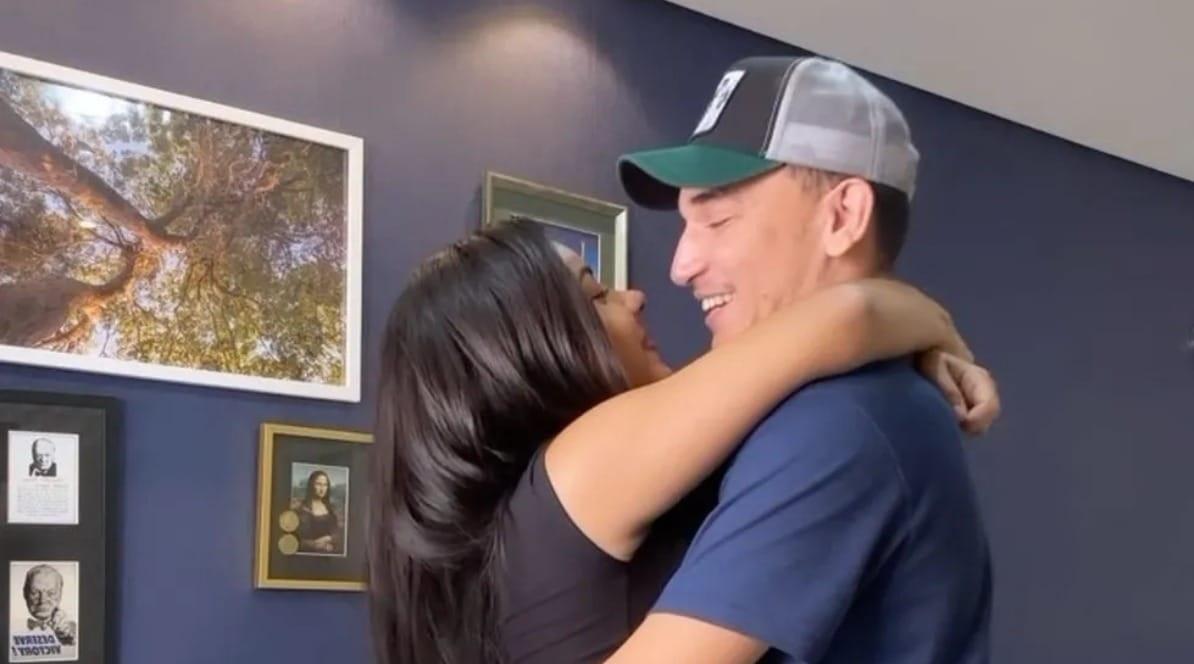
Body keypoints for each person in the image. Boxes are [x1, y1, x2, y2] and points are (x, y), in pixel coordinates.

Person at [368, 216, 998, 663]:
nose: (635, 298)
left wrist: (912, 350)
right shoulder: (582, 463)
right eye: (597, 295)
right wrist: (940, 330)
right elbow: (849, 317)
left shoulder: (519, 537)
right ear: (529, 356)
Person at [607, 56, 993, 663]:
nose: (681, 266)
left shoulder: (841, 422)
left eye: (717, 219)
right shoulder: (834, 403)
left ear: (843, 216)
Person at [22, 565, 76, 646]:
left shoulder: (72, 627)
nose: (42, 600)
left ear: (60, 594)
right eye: (34, 592)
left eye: (51, 593)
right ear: (25, 593)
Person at [296, 469, 343, 554]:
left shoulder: (331, 509)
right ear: (311, 485)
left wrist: (330, 539)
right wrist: (314, 545)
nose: (322, 489)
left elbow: (338, 533)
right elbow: (297, 539)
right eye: (318, 484)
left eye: (325, 485)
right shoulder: (302, 509)